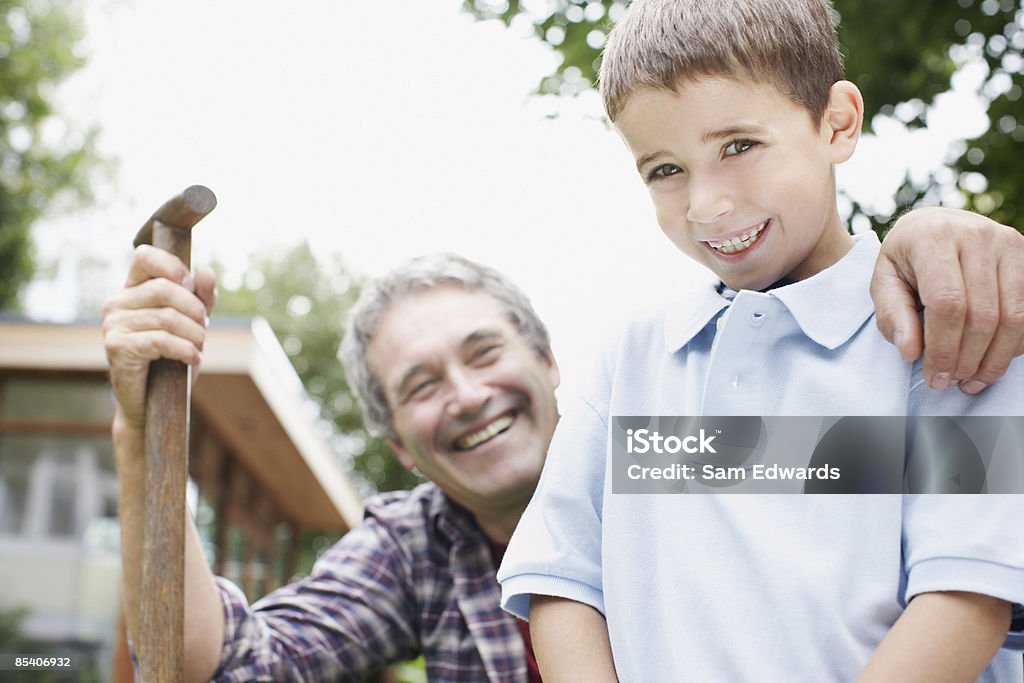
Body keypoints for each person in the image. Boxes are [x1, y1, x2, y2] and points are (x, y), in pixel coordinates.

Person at [102, 215, 1024, 677]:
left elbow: (954, 515)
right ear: (403, 449)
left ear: (550, 362)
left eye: (484, 352)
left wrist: (921, 243)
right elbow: (220, 662)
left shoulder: (678, 445)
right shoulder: (419, 546)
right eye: (420, 387)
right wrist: (145, 430)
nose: (465, 396)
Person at [496, 1, 1024, 681]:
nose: (705, 204)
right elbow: (563, 581)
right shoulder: (630, 362)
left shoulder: (950, 327)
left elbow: (966, 590)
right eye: (664, 169)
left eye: (738, 146)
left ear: (837, 122)